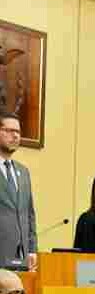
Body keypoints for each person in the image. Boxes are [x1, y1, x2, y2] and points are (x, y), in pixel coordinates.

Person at [0, 111, 37, 271]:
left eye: (18, 132)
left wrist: (32, 249)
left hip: (21, 259)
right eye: (9, 131)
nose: (15, 136)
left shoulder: (23, 172)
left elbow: (29, 214)